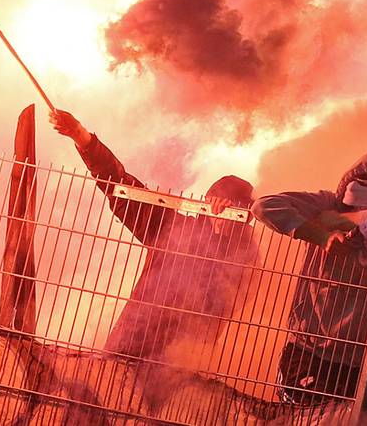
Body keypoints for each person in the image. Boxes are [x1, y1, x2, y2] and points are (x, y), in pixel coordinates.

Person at [49, 109, 258, 360]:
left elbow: (232, 290)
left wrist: (225, 236)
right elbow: (123, 188)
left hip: (181, 364)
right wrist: (83, 138)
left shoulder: (243, 259)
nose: (219, 213)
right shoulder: (173, 230)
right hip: (131, 343)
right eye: (215, 203)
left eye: (230, 209)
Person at [252, 147, 367, 405]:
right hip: (306, 344)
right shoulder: (324, 203)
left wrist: (348, 221)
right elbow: (263, 206)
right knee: (294, 415)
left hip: (353, 356)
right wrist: (321, 235)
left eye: (363, 207)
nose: (350, 208)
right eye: (348, 205)